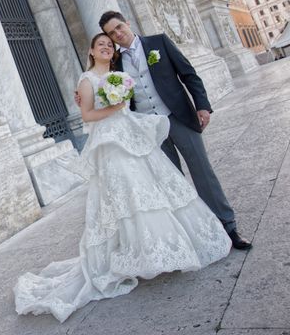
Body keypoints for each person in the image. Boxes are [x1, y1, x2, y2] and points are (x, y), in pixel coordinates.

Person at [14, 33, 232, 323]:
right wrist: (112, 107)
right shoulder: (87, 79)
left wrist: (120, 106)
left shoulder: (119, 74)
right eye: (100, 44)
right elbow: (88, 115)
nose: (106, 47)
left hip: (130, 133)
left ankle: (161, 249)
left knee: (150, 188)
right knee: (128, 192)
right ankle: (138, 254)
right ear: (91, 50)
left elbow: (135, 98)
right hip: (110, 143)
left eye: (109, 45)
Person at [97, 11, 251, 250]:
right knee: (172, 182)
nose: (117, 34)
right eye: (111, 33)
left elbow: (189, 74)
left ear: (128, 22)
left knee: (203, 172)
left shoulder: (158, 42)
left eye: (119, 27)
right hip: (149, 129)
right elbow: (112, 92)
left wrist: (202, 106)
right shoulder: (115, 63)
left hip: (177, 117)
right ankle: (194, 233)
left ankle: (228, 227)